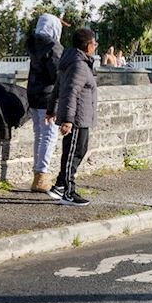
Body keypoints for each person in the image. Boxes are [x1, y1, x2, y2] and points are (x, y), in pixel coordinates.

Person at [48, 27, 99, 206]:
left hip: (82, 116)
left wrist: (51, 109)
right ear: (87, 46)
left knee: (79, 150)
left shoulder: (77, 62)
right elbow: (70, 92)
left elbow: (58, 87)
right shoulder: (78, 65)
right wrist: (68, 120)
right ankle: (69, 192)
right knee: (73, 153)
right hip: (76, 117)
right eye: (94, 43)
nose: (96, 46)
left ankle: (60, 185)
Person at [25, 13, 63, 193]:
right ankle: (42, 176)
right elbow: (57, 76)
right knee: (49, 136)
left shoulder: (33, 44)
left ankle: (38, 174)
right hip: (48, 96)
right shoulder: (53, 46)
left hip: (33, 93)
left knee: (39, 135)